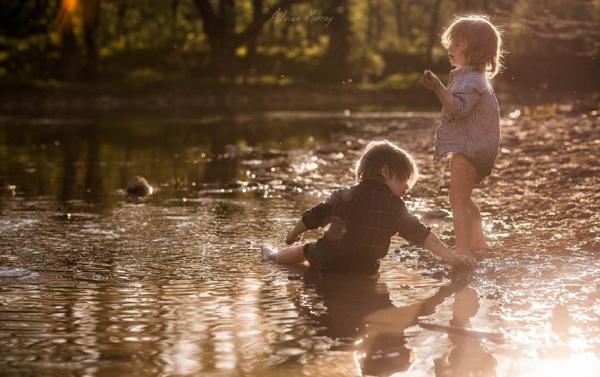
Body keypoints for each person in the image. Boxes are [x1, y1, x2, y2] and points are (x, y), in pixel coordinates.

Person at [261, 140, 476, 274]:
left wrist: (291, 234)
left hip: (330, 260)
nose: (407, 188)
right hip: (365, 267)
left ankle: (272, 256)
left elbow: (311, 218)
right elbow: (424, 236)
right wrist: (453, 260)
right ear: (385, 172)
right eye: (404, 181)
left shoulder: (343, 196)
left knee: (304, 251)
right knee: (366, 276)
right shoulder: (395, 207)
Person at [421, 15, 503, 258]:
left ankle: (463, 251)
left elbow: (458, 108)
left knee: (457, 200)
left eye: (457, 44)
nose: (450, 48)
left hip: (470, 150)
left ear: (476, 51)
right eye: (451, 43)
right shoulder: (471, 77)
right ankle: (478, 243)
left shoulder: (472, 81)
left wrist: (438, 88)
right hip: (474, 147)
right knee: (464, 198)